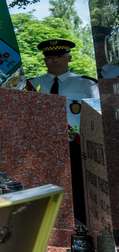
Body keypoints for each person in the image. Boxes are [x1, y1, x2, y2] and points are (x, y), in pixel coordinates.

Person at [30, 38, 99, 224]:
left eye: (60, 56)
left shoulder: (87, 85)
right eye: (49, 57)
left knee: (78, 192)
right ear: (44, 60)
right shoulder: (30, 85)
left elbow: (97, 118)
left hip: (75, 148)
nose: (54, 60)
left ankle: (81, 229)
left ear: (68, 58)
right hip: (42, 150)